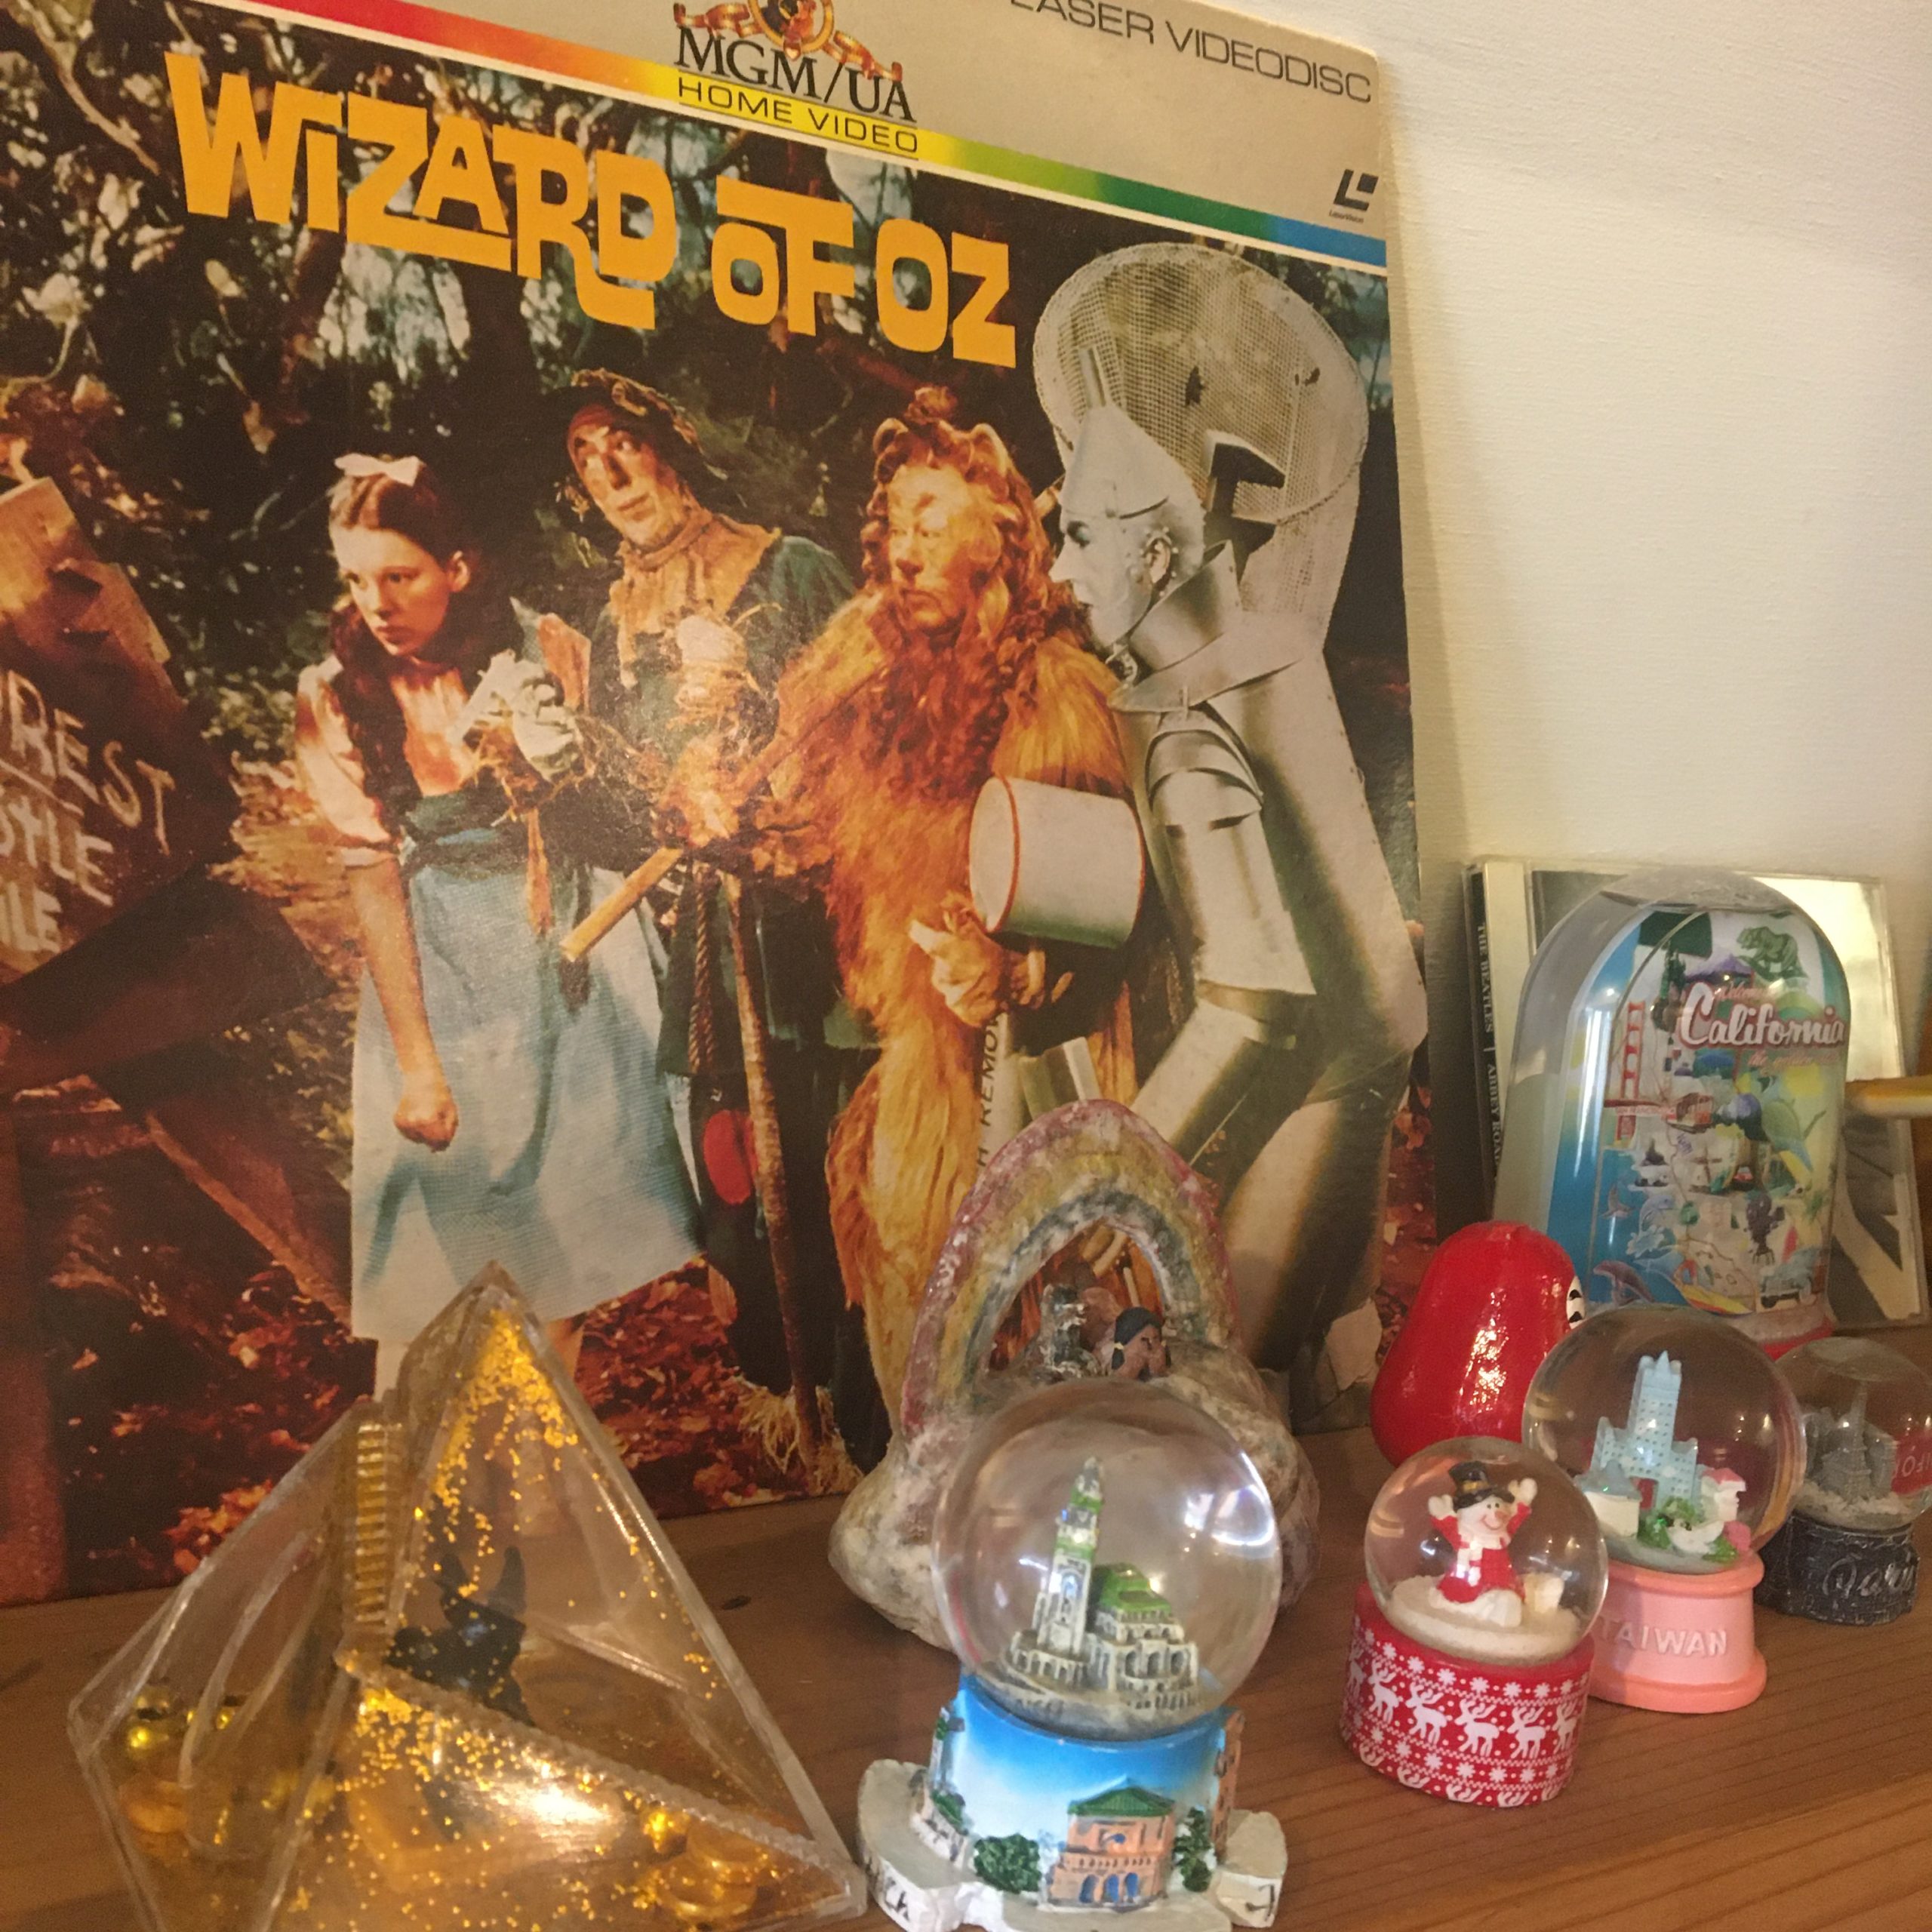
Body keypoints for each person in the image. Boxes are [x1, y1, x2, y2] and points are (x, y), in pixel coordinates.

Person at [749, 388, 1137, 1412]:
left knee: (1018, 1346)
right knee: (913, 1334)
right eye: (894, 525)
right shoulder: (864, 663)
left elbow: (1106, 922)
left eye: (931, 522)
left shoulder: (1057, 694)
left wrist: (1014, 968)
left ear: (998, 540)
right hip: (911, 1060)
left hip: (1026, 1080)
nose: (903, 551)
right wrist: (739, 818)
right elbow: (795, 818)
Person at [1047, 398, 1427, 1428]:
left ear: (1156, 555)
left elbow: (1250, 995)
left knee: (1229, 1382)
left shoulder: (1184, 724)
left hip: (1319, 1077)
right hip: (1366, 1040)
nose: (1060, 571)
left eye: (1080, 539)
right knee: (1325, 1355)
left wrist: (1119, 1165)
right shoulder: (1268, 650)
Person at [294, 454, 701, 1387]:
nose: (377, 604)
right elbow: (373, 881)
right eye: (356, 580)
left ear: (458, 567)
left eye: (400, 576)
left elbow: (604, 801)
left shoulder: (541, 648)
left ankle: (538, 1466)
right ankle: (411, 1465)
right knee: (430, 1270)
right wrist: (418, 1064)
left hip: (561, 951)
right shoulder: (337, 692)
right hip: (440, 967)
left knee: (559, 1271)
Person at [553, 370, 868, 1444]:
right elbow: (625, 809)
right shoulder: (613, 623)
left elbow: (878, 727)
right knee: (737, 1175)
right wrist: (558, 775)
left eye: (620, 442)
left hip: (823, 935)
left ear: (669, 447)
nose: (609, 472)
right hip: (711, 947)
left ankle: (875, 1407)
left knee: (843, 1161)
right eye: (585, 459)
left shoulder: (791, 569)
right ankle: (791, 1411)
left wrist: (784, 806)